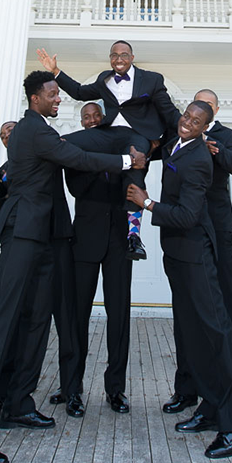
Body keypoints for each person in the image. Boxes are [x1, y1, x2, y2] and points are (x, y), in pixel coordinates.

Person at [0, 71, 146, 463]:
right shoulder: (33, 131)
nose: (60, 100)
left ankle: (19, 404)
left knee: (38, 318)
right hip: (23, 233)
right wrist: (128, 158)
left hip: (45, 240)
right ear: (36, 97)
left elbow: (77, 153)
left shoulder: (43, 130)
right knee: (0, 322)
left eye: (59, 94)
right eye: (55, 94)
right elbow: (79, 158)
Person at [127, 101, 232, 460]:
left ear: (204, 127)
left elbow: (189, 215)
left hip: (197, 255)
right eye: (186, 116)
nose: (187, 123)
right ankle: (209, 410)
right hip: (177, 256)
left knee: (216, 335)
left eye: (196, 121)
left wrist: (147, 204)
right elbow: (158, 114)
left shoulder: (198, 159)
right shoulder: (175, 146)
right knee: (192, 334)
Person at [37, 41, 179, 260]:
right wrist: (55, 71)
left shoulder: (152, 80)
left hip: (136, 135)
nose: (119, 59)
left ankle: (133, 236)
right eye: (114, 55)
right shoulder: (105, 78)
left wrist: (173, 138)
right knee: (63, 142)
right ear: (110, 58)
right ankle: (12, 175)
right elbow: (79, 92)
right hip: (108, 134)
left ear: (132, 57)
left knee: (135, 170)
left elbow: (169, 113)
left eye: (123, 55)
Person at [0, 121, 81, 421]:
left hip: (56, 242)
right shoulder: (8, 169)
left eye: (11, 131)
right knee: (13, 321)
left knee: (61, 318)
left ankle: (71, 390)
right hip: (22, 247)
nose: (7, 137)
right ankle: (2, 396)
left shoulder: (46, 149)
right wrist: (0, 192)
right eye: (2, 136)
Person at [162, 88, 232, 419]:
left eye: (205, 110)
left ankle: (230, 390)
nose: (193, 118)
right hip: (185, 233)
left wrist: (217, 149)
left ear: (214, 112)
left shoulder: (228, 137)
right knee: (187, 316)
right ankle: (189, 389)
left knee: (221, 313)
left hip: (215, 231)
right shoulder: (181, 139)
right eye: (191, 111)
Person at [65, 101, 133, 414]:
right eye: (86, 117)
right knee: (76, 316)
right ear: (82, 123)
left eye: (96, 116)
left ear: (103, 121)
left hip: (119, 243)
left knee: (118, 317)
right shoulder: (74, 154)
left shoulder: (122, 147)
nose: (91, 120)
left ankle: (115, 390)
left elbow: (133, 184)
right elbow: (78, 188)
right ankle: (71, 388)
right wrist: (107, 160)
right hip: (85, 243)